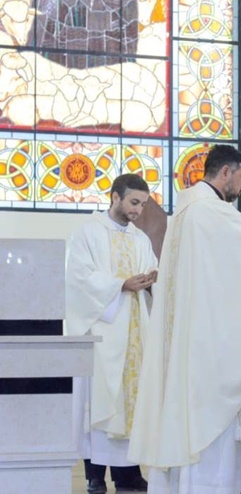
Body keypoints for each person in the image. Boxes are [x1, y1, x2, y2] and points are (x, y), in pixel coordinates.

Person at [128, 145, 241, 492]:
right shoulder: (211, 213)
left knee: (185, 424)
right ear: (226, 173)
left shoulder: (188, 211)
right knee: (207, 431)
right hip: (205, 348)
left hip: (190, 340)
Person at [66, 173, 157, 494]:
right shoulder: (88, 233)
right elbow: (78, 277)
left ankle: (128, 475)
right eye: (134, 202)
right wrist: (120, 284)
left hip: (135, 331)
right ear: (114, 197)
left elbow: (149, 270)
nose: (138, 210)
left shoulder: (140, 239)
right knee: (101, 405)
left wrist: (153, 277)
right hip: (102, 332)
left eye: (143, 205)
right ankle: (95, 476)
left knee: (132, 404)